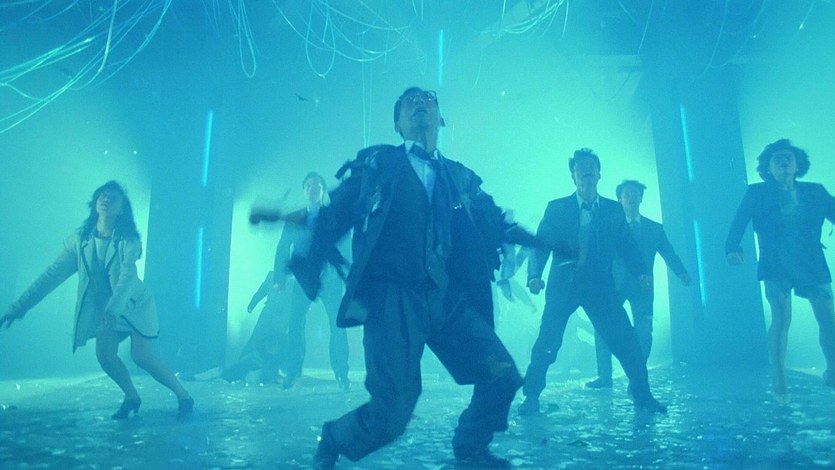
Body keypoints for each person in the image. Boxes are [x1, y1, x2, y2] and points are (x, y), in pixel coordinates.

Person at [288, 87, 538, 469]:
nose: (419, 103)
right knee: (392, 415)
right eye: (409, 101)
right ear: (397, 123)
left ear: (440, 118)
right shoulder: (378, 166)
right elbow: (337, 212)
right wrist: (308, 244)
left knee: (501, 374)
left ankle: (471, 444)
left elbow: (494, 219)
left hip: (445, 298)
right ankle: (335, 437)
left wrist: (545, 241)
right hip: (393, 301)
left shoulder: (459, 176)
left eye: (427, 100)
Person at [0, 181, 193, 419]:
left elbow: (127, 277)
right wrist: (19, 307)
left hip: (135, 304)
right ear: (95, 202)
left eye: (113, 197)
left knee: (141, 356)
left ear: (121, 209)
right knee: (105, 356)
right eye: (102, 195)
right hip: (106, 308)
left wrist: (112, 310)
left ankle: (184, 396)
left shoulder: (128, 241)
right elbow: (51, 276)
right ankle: (132, 397)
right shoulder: (79, 241)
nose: (106, 199)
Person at [519, 149, 667, 415]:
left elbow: (627, 245)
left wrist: (641, 272)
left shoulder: (613, 210)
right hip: (564, 285)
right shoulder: (557, 208)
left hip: (600, 286)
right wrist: (534, 275)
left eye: (591, 166)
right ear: (573, 176)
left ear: (599, 174)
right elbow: (541, 244)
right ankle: (531, 397)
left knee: (626, 341)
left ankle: (643, 396)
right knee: (548, 342)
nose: (586, 170)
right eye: (581, 167)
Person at [725, 138, 835, 398]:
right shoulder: (757, 193)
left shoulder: (816, 191)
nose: (784, 162)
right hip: (776, 263)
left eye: (789, 158)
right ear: (769, 167)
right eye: (778, 158)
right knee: (782, 318)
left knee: (829, 319)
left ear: (797, 165)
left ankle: (833, 370)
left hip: (811, 262)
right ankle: (779, 377)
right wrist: (732, 247)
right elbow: (739, 221)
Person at [586, 180, 691, 389]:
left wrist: (681, 272)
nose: (631, 199)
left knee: (644, 331)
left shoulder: (654, 228)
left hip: (643, 287)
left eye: (635, 195)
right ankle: (604, 376)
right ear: (619, 199)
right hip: (613, 286)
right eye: (627, 195)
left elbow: (668, 252)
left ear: (641, 198)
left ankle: (637, 376)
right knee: (603, 328)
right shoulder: (608, 226)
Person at [273, 172, 350, 390]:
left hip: (330, 279)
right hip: (303, 279)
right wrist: (279, 278)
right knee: (295, 324)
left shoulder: (333, 216)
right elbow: (282, 247)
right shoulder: (295, 217)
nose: (313, 189)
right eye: (309, 186)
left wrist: (348, 275)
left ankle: (341, 374)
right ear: (304, 191)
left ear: (323, 191)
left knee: (337, 325)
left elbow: (345, 246)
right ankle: (292, 371)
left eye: (317, 186)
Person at [220, 270, 286, 383]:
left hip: (280, 318)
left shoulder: (293, 279)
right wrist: (252, 304)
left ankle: (270, 370)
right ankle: (240, 367)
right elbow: (262, 291)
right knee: (257, 340)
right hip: (269, 317)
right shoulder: (272, 276)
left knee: (275, 344)